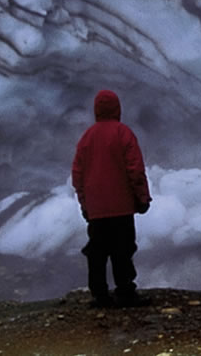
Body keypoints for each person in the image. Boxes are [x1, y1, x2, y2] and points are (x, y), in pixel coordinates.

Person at [72, 89, 152, 308]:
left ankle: (99, 295)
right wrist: (142, 198)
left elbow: (77, 174)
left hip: (97, 210)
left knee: (97, 252)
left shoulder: (87, 138)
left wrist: (85, 203)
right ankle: (125, 291)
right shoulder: (123, 133)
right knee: (123, 249)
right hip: (122, 207)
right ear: (118, 109)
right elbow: (135, 169)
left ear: (96, 110)